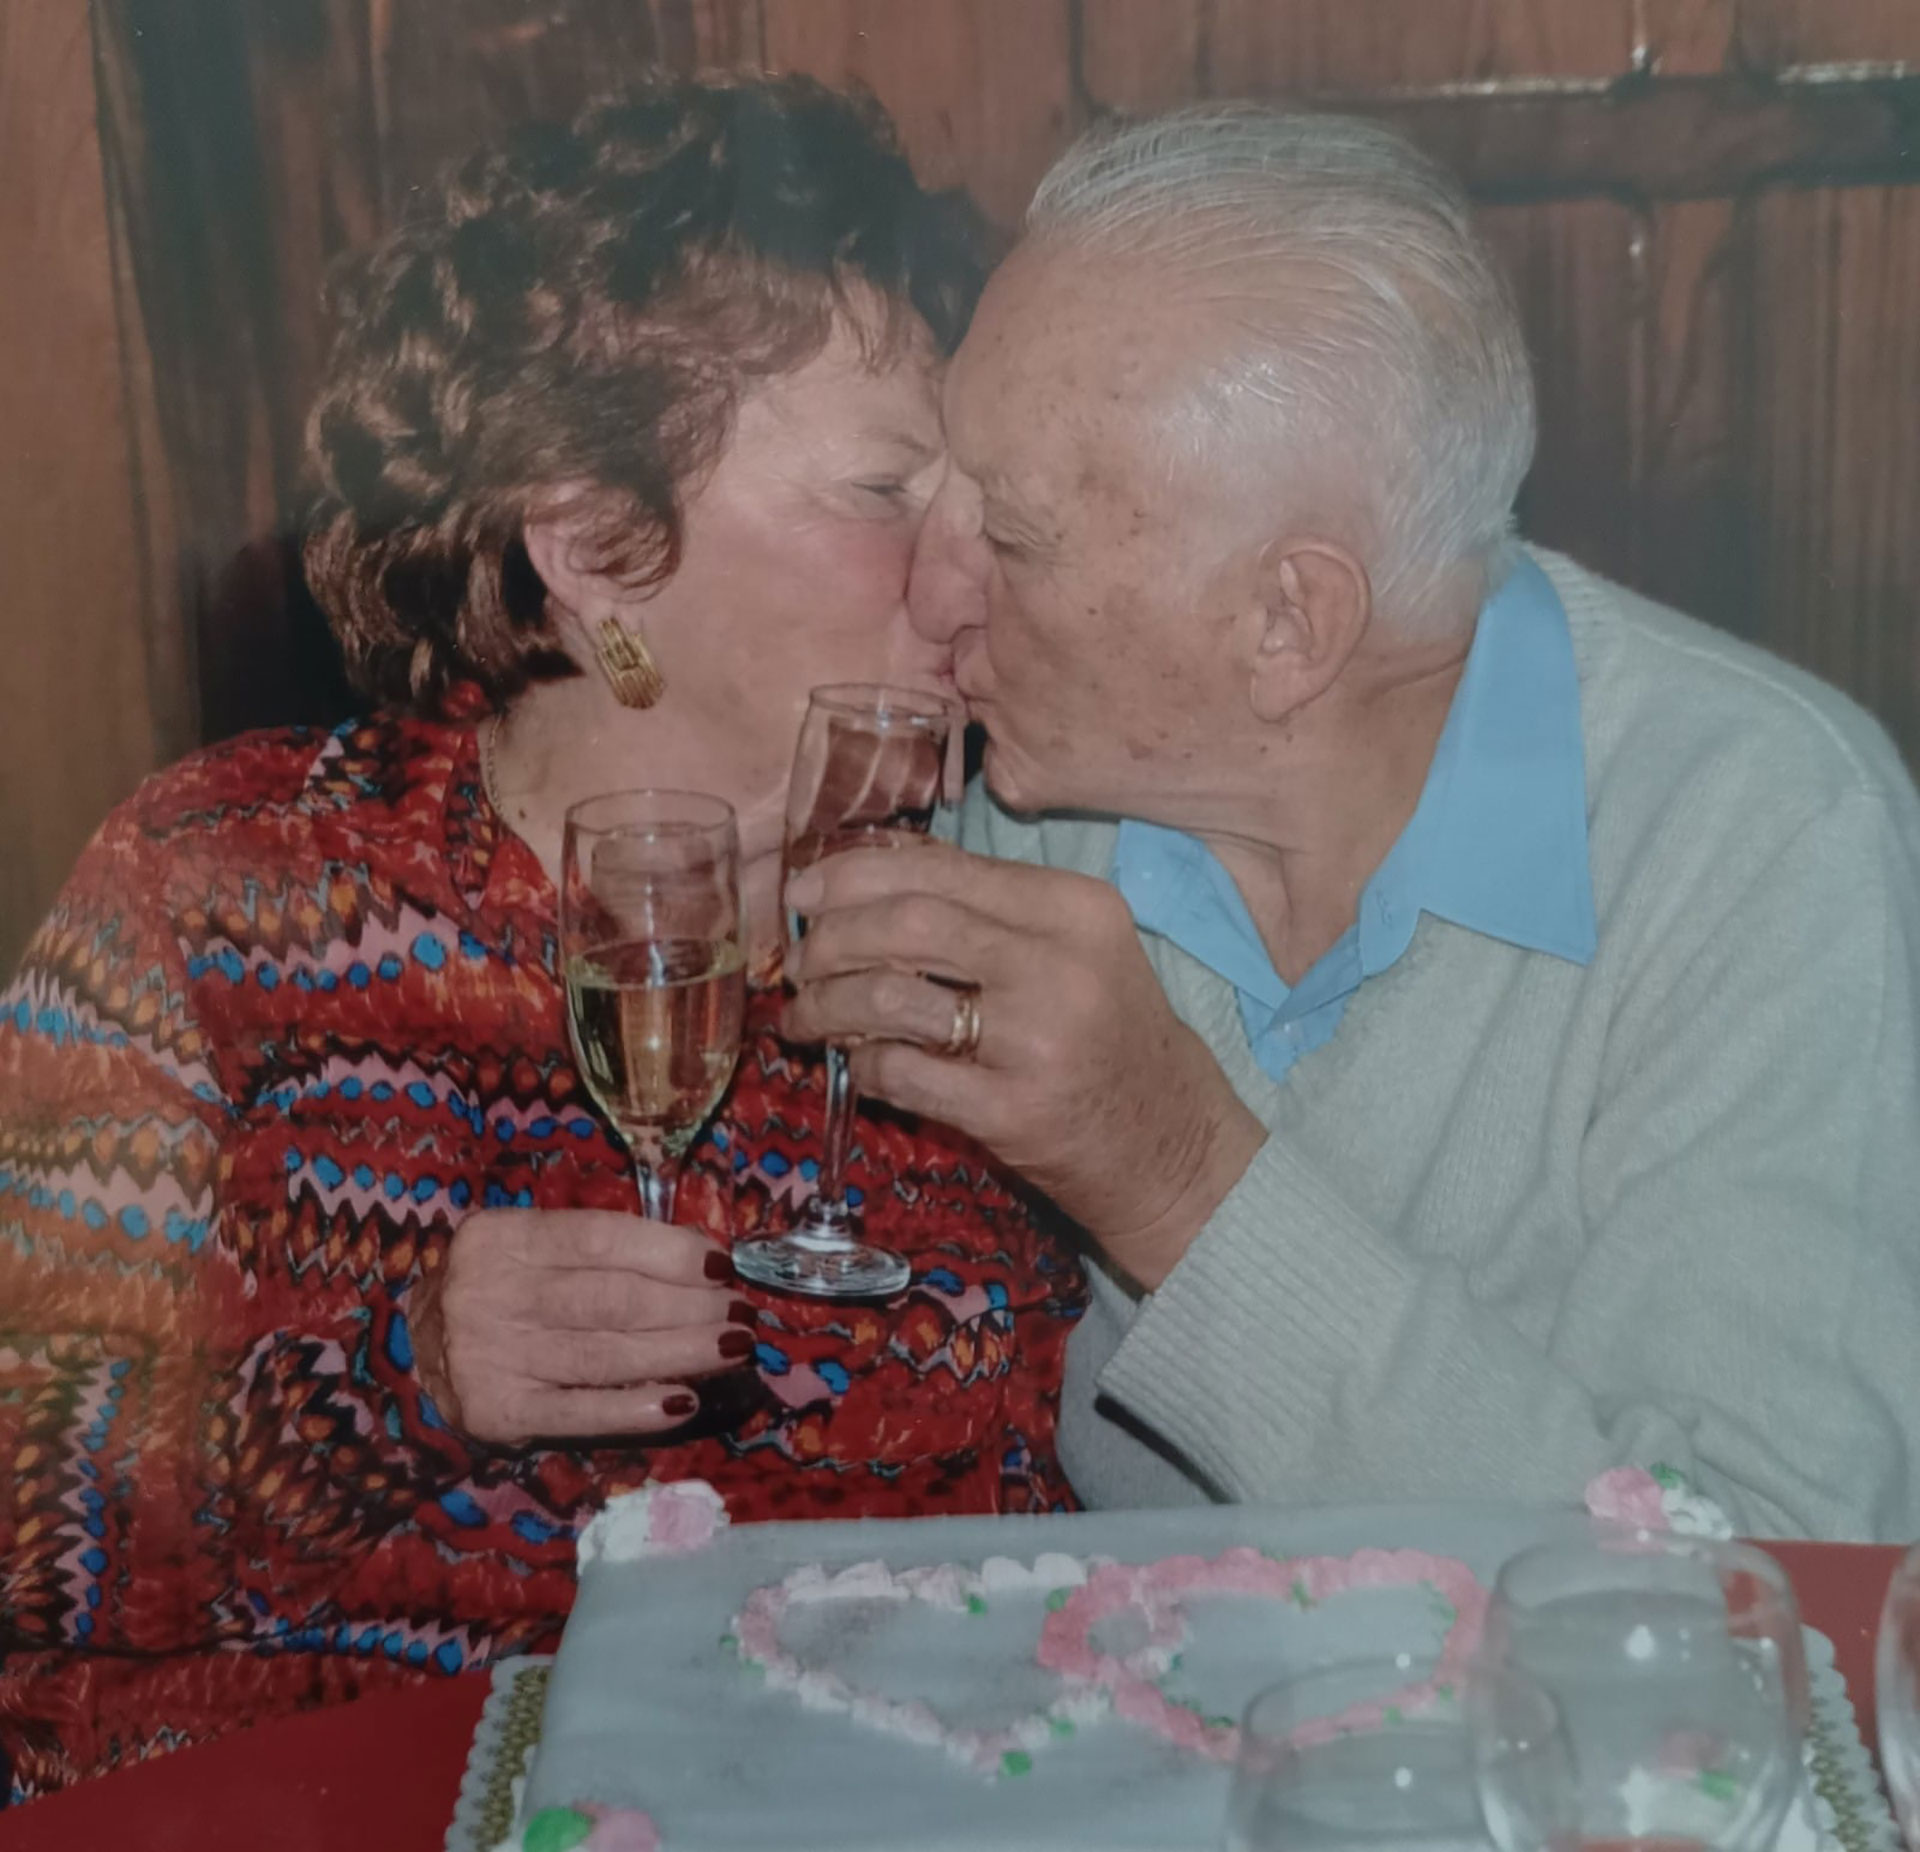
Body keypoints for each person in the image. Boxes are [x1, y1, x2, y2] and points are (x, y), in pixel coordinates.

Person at [0, 75, 1084, 1803]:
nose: (969, 571)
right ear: (593, 548)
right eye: (888, 488)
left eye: (977, 499)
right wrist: (396, 1382)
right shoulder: (228, 886)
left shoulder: (1007, 932)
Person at [784, 104, 1920, 1542]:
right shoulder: (1018, 782)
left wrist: (1176, 1178)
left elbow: (1767, 1578)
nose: (933, 601)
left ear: (1287, 622)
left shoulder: (1757, 833)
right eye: (926, 497)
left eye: (1008, 541)